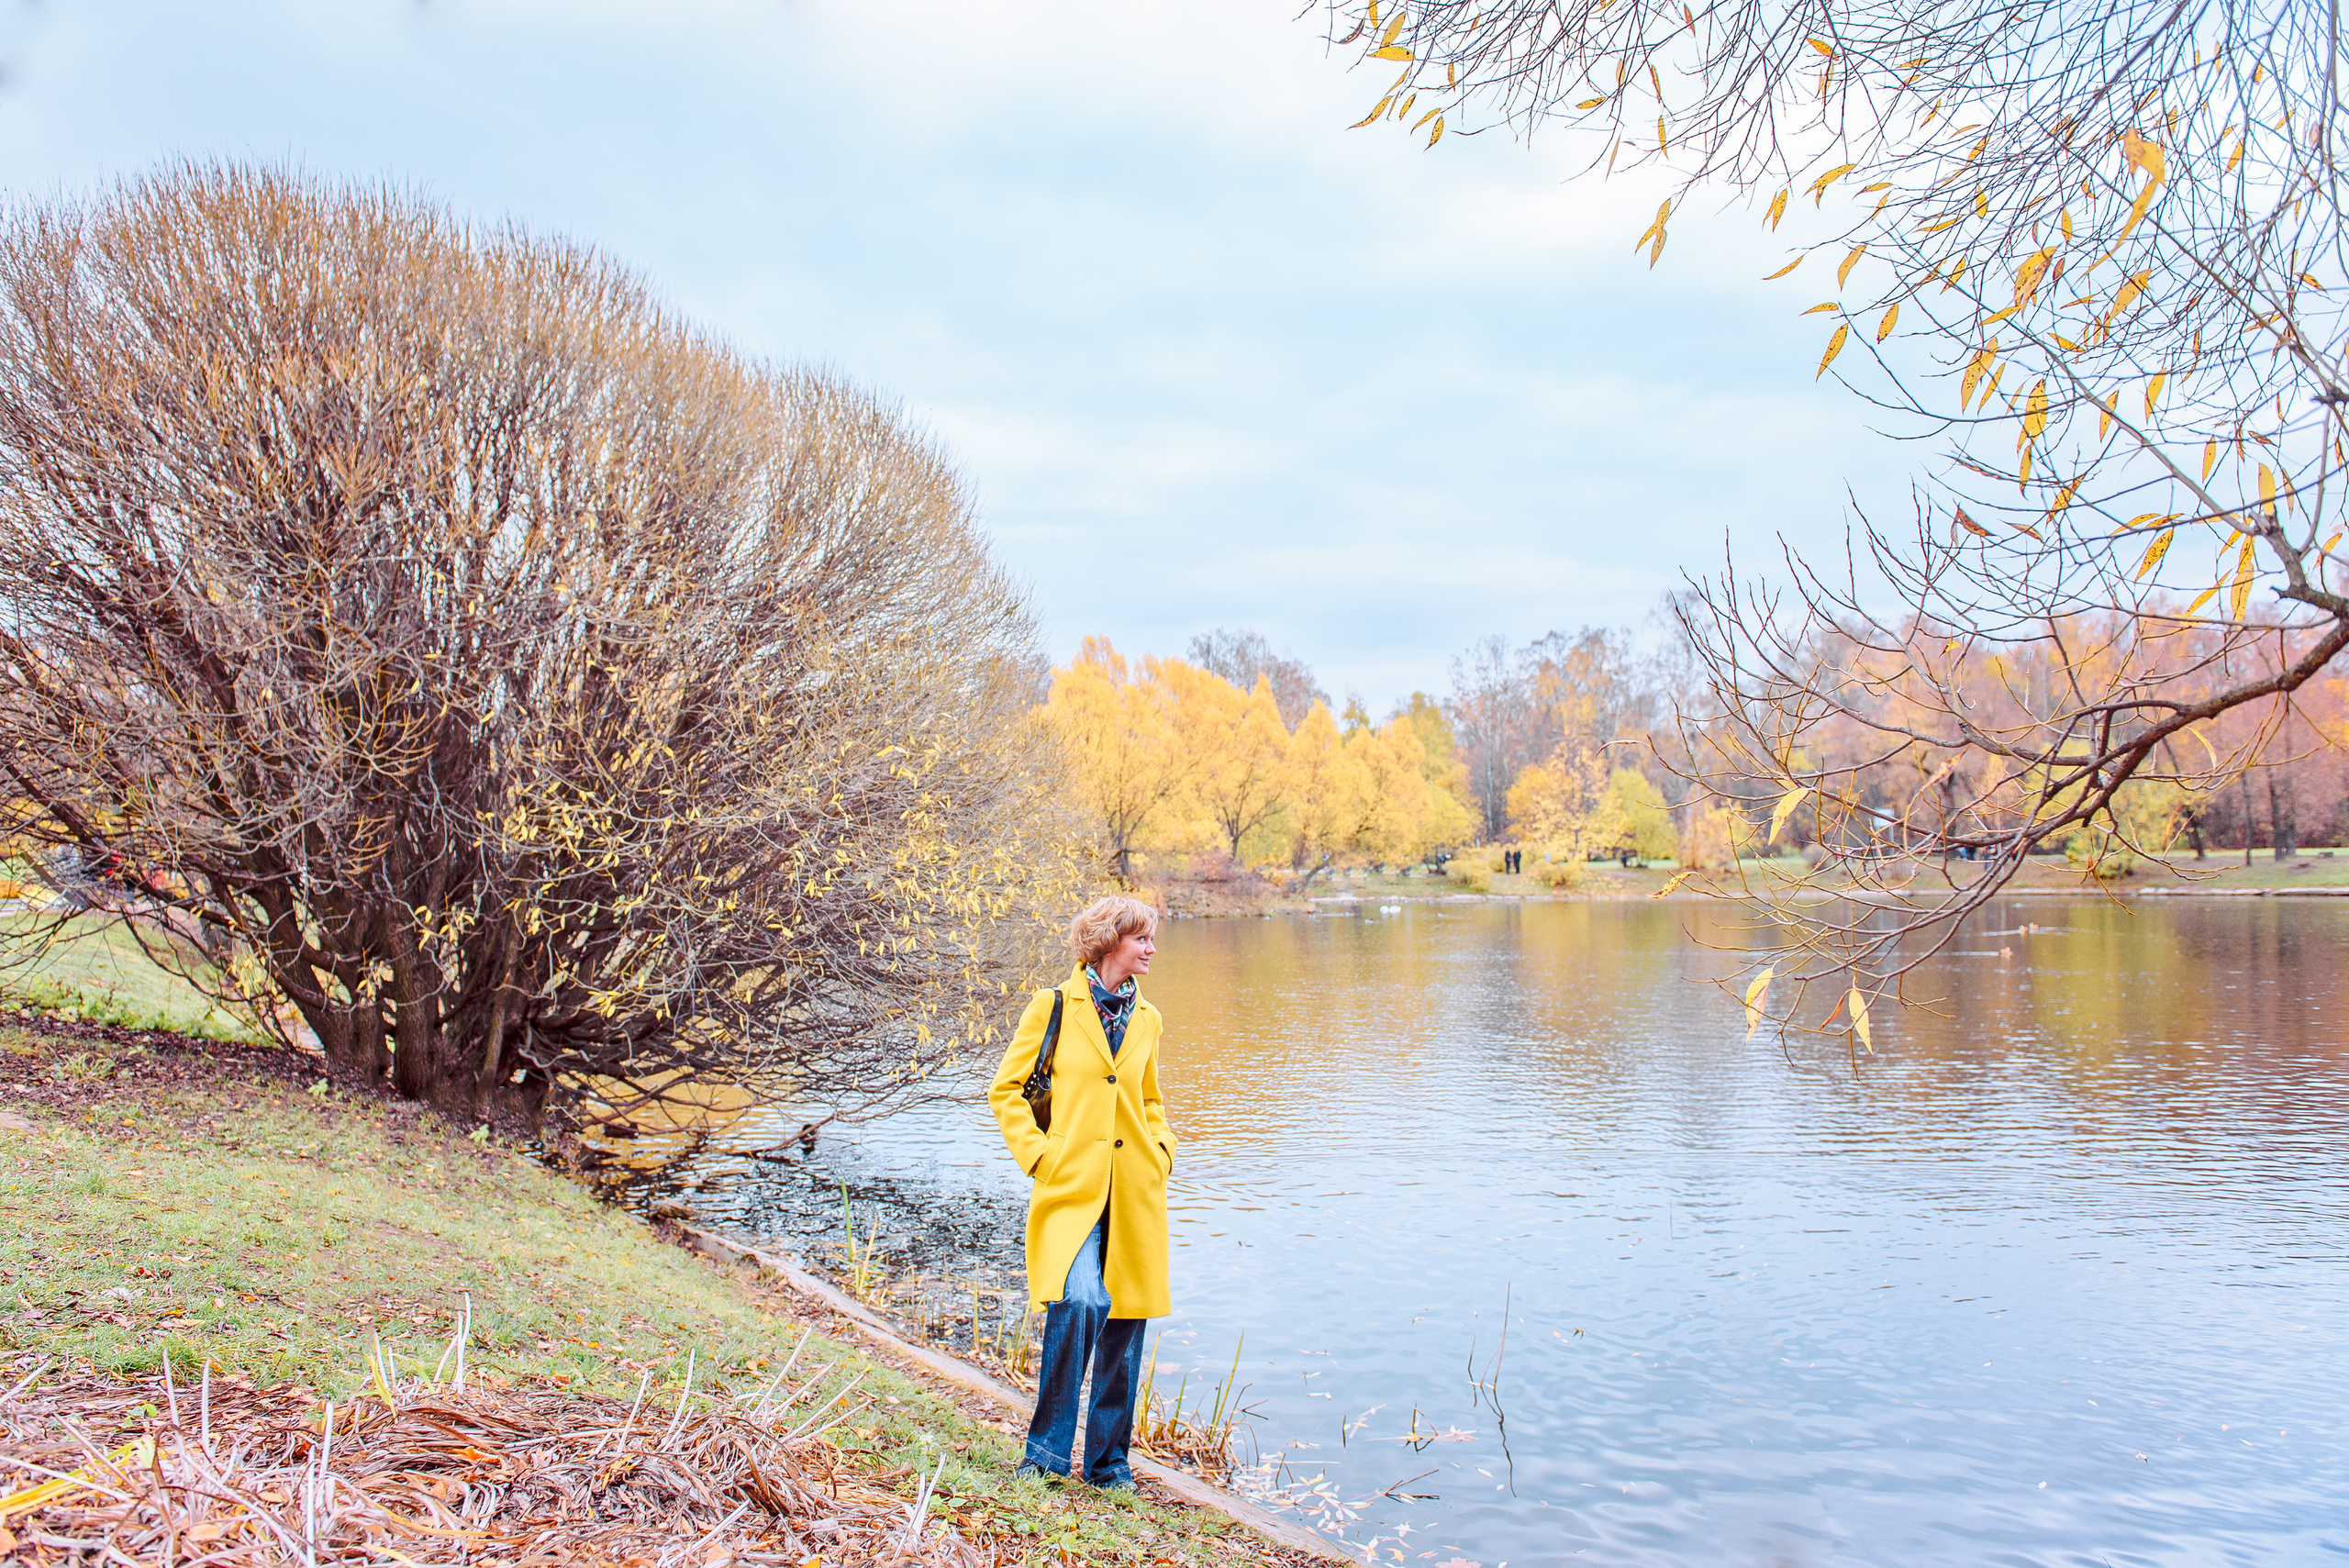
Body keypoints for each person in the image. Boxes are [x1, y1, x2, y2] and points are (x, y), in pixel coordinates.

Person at [988, 895, 1177, 1488]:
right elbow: (1007, 1090)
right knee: (1081, 1300)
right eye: (1141, 938)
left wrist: (1163, 1148)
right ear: (1109, 942)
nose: (1151, 948)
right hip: (1071, 1186)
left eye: (1151, 937)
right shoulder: (1053, 1006)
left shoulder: (1147, 1018)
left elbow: (1149, 1099)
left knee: (1124, 1322)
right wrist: (1040, 1157)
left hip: (1135, 1189)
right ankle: (1044, 1455)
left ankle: (1107, 1465)